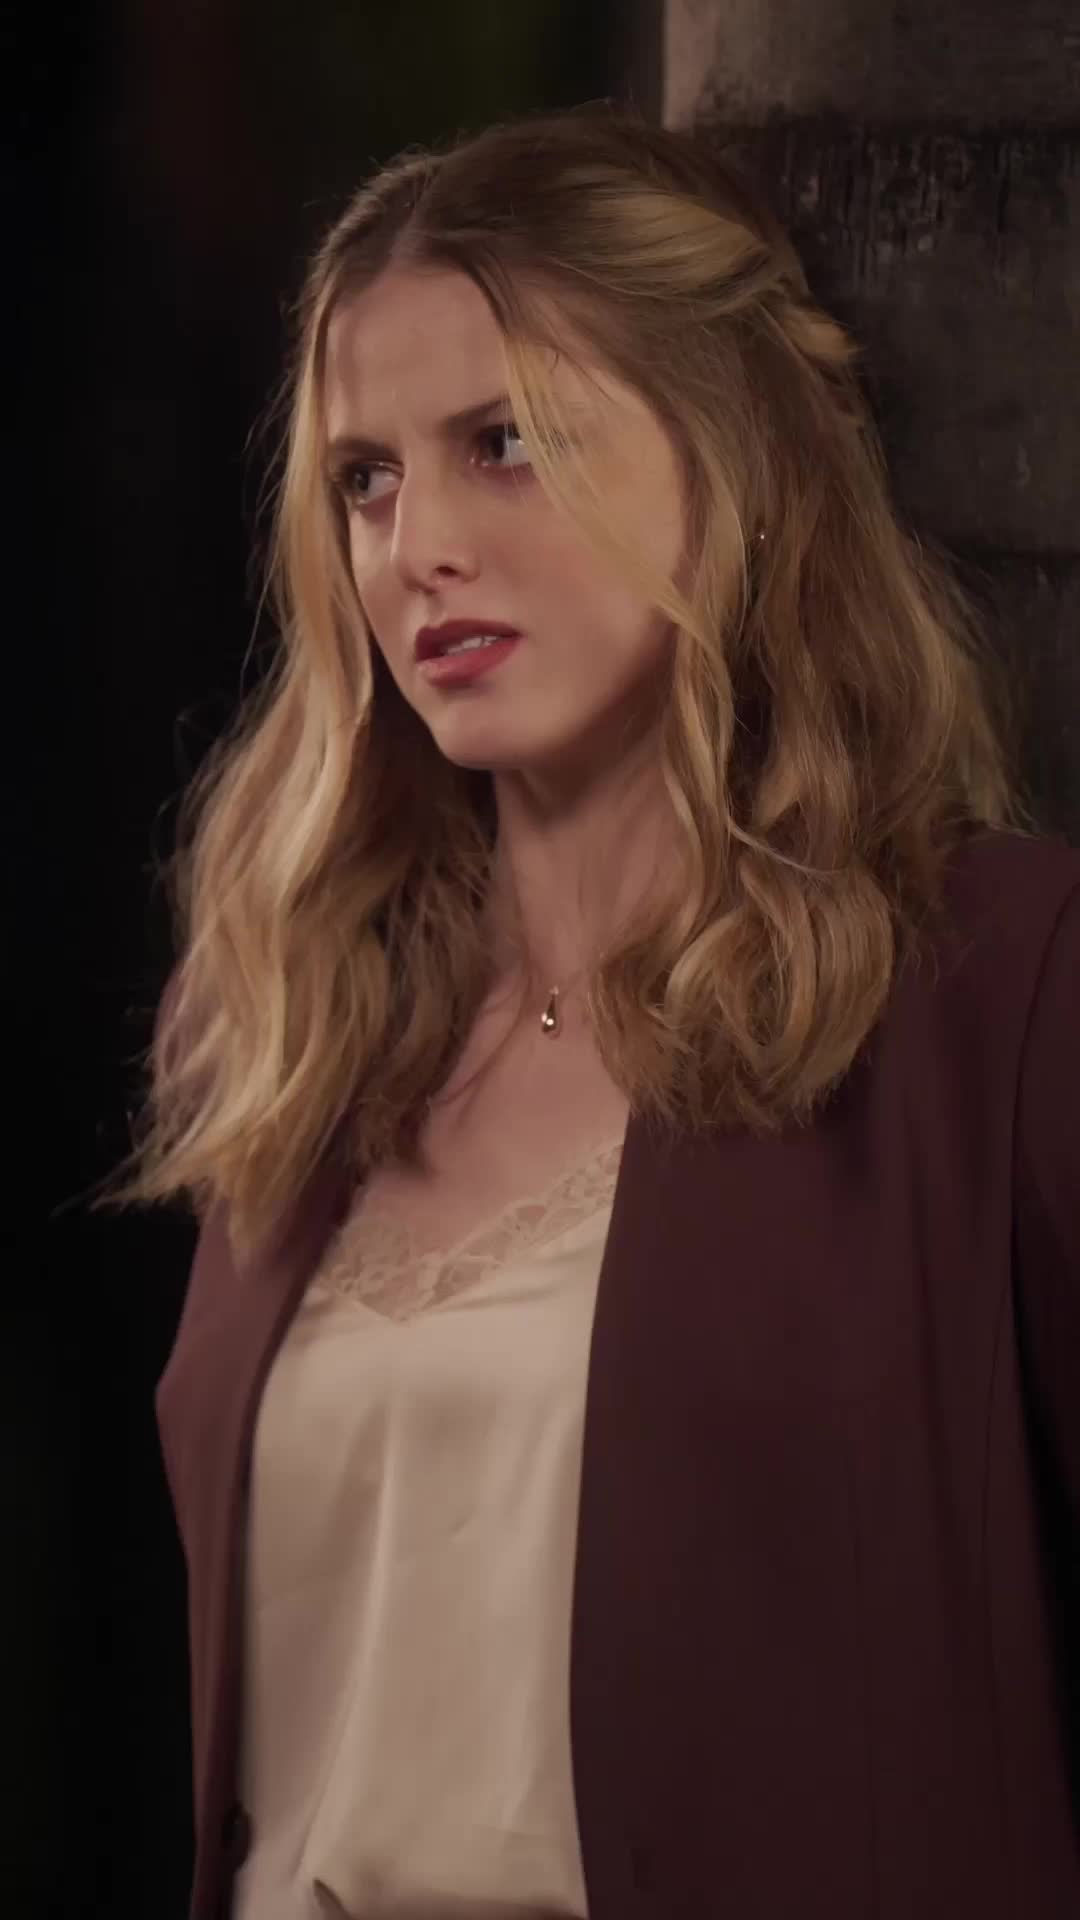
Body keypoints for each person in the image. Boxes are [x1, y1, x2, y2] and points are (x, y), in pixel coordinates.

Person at [111, 102, 1080, 1920]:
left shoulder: (1000, 988)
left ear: (734, 454)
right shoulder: (288, 1027)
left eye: (505, 443)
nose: (416, 547)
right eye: (366, 479)